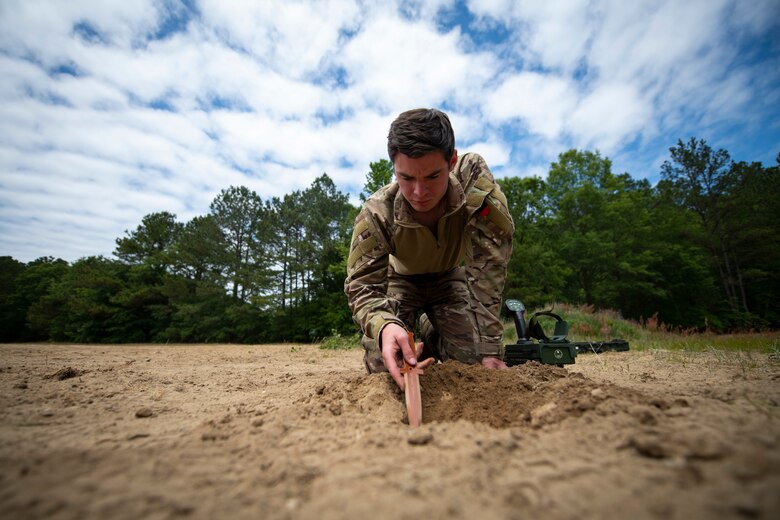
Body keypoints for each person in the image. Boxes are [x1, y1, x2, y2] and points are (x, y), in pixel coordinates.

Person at [344, 108, 514, 390]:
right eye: (406, 178)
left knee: (475, 362)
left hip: (450, 281)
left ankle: (434, 335)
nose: (419, 193)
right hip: (401, 283)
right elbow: (362, 287)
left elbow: (489, 263)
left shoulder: (474, 183)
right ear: (394, 170)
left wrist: (490, 349)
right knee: (384, 364)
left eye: (433, 176)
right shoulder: (377, 213)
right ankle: (409, 325)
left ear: (452, 162)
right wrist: (386, 325)